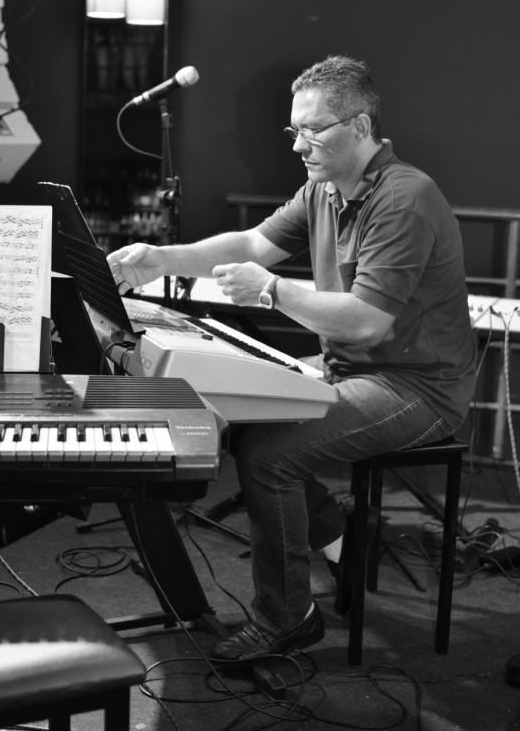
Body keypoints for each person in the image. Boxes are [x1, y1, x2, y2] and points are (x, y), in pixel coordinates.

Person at [107, 55, 477, 663]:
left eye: (314, 130)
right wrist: (161, 259)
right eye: (294, 131)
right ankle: (339, 535)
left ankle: (288, 619)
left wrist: (272, 290)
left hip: (419, 387)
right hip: (353, 369)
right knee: (238, 413)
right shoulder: (326, 188)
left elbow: (365, 319)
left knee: (270, 453)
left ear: (359, 126)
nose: (300, 144)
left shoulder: (405, 198)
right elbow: (254, 244)